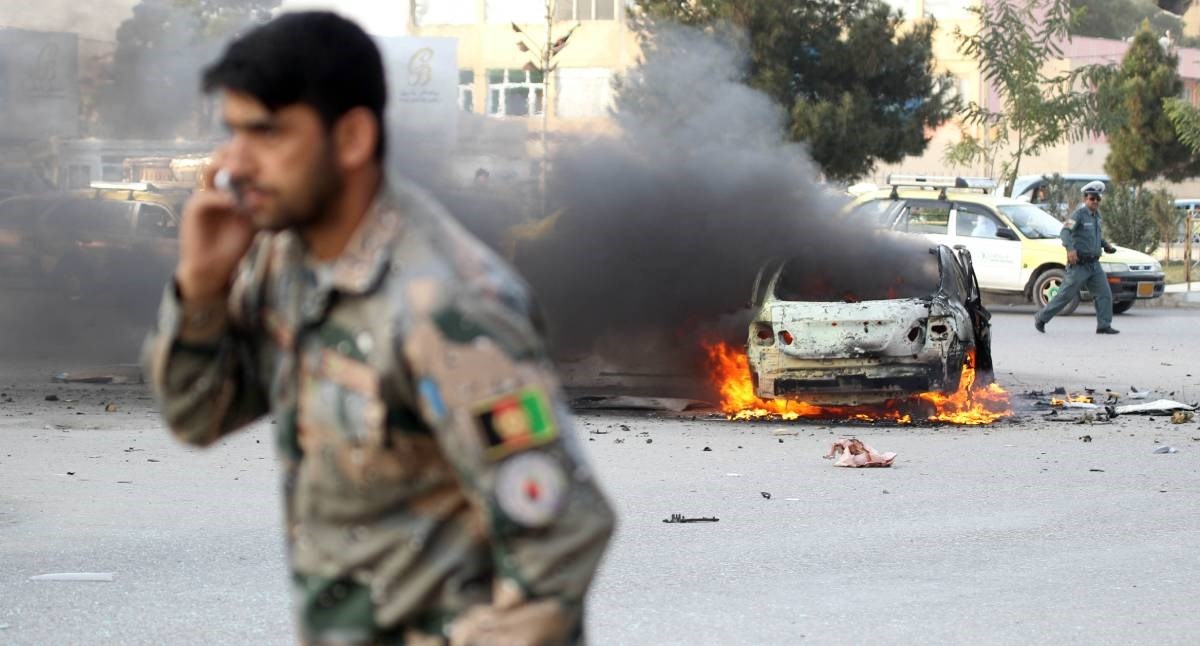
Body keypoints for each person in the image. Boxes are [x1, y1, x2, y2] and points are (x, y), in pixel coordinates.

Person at [142, 12, 614, 645]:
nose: (235, 163)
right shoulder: (286, 259)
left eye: (267, 133)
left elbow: (561, 533)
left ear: (353, 138)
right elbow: (197, 415)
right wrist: (200, 286)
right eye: (232, 132)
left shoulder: (449, 309)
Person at [1034, 180, 1119, 334]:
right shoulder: (1078, 215)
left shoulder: (1096, 216)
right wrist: (1070, 249)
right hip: (1079, 265)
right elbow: (1064, 232)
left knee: (1104, 294)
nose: (1095, 202)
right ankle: (1041, 317)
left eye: (1098, 198)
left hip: (1094, 265)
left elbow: (1095, 237)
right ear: (1085, 199)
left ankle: (1104, 325)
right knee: (1065, 295)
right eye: (1092, 198)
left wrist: (1106, 245)